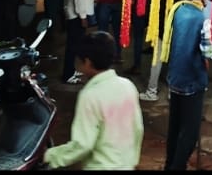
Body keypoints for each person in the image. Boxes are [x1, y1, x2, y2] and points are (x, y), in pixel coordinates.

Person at [44, 31, 144, 170]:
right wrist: (131, 160)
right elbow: (138, 128)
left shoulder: (90, 96)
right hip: (127, 165)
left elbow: (82, 145)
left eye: (80, 61)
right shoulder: (128, 86)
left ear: (88, 62)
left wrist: (51, 156)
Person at [161, 0, 212, 171]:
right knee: (190, 132)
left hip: (175, 77)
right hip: (192, 81)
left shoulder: (177, 11)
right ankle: (176, 166)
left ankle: (170, 163)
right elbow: (209, 52)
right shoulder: (201, 18)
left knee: (175, 126)